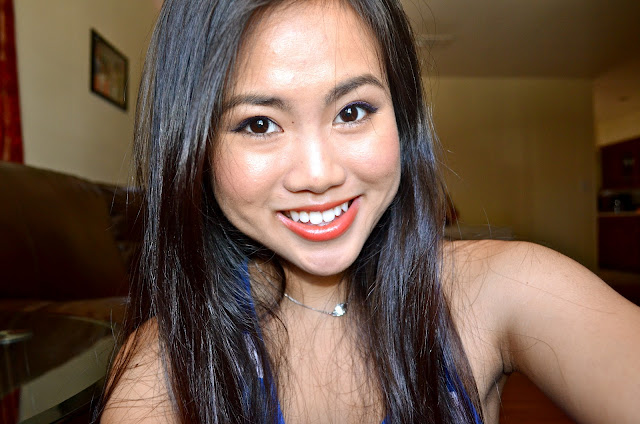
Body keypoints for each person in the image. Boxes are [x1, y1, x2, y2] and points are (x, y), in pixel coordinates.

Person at [97, 0, 640, 423]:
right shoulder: (163, 368)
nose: (318, 174)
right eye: (259, 124)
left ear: (400, 120)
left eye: (353, 111)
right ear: (195, 149)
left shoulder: (502, 288)